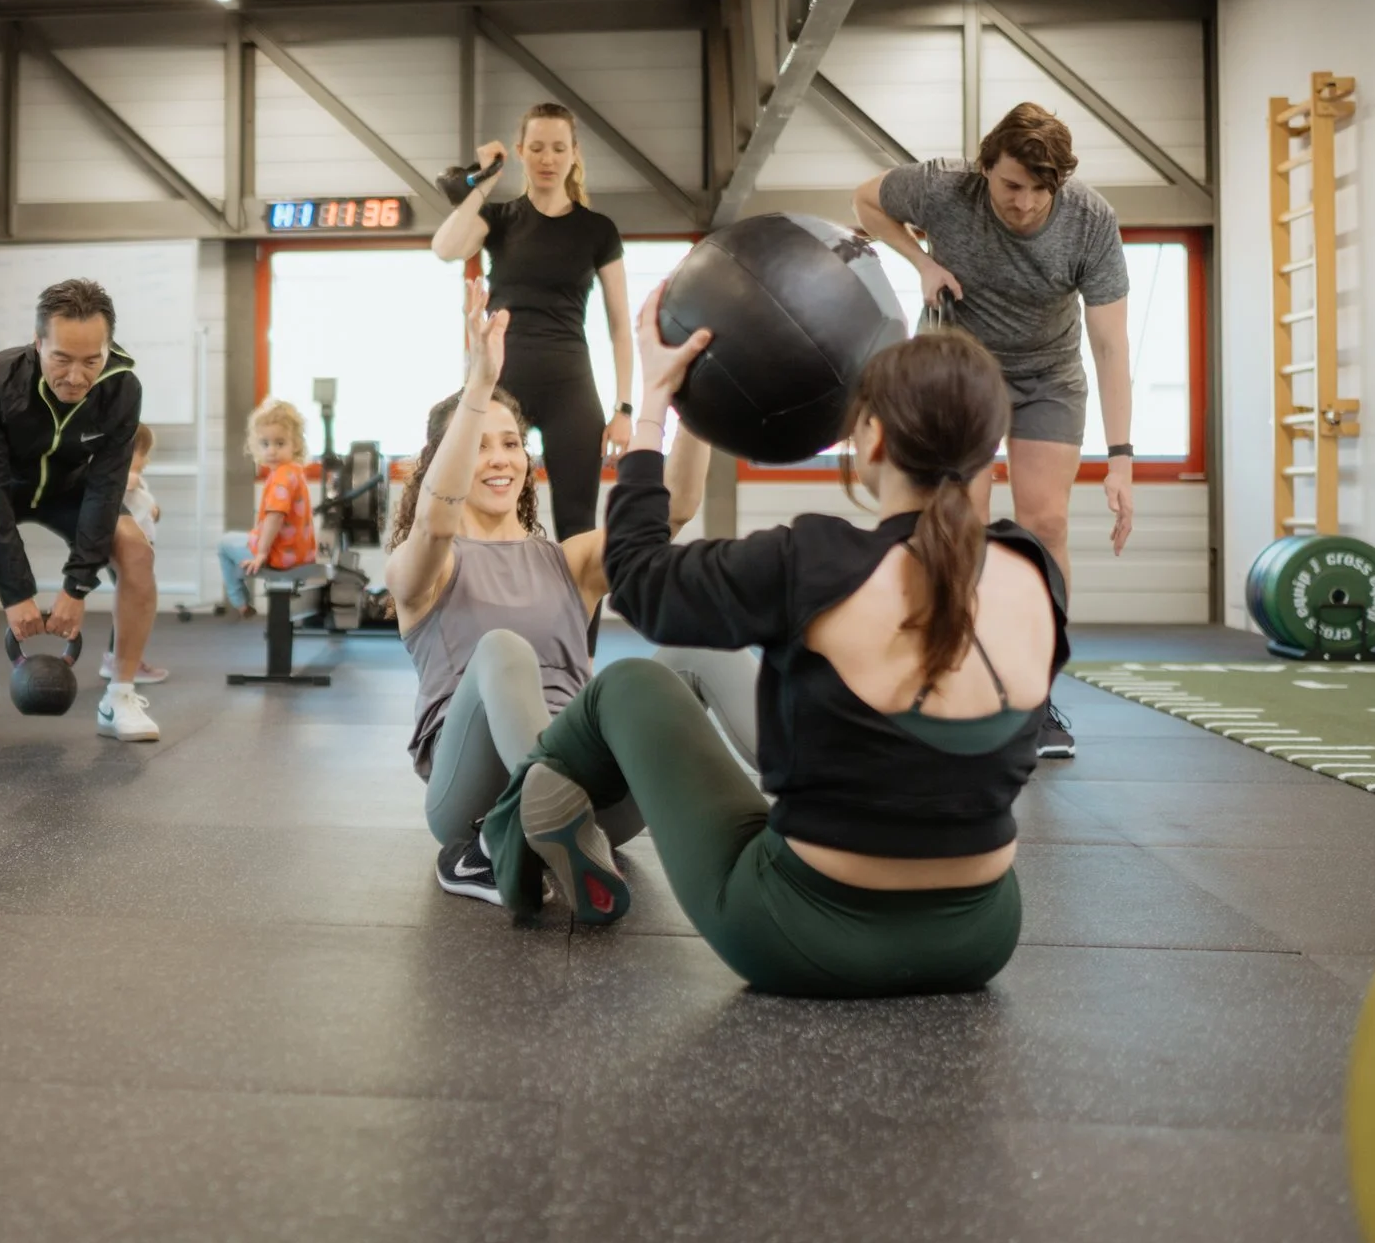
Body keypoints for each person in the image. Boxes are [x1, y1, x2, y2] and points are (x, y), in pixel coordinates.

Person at [473, 295, 1067, 1000]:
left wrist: (655, 404)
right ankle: (532, 807)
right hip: (981, 937)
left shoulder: (814, 561)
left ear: (871, 440)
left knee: (631, 684)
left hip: (803, 935)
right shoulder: (1036, 573)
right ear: (988, 448)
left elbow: (635, 578)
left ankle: (509, 830)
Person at [385, 278, 708, 905]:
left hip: (591, 809)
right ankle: (503, 838)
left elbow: (676, 508)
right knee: (504, 650)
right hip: (473, 805)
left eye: (512, 443)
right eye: (479, 445)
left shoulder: (571, 562)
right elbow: (435, 518)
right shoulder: (422, 568)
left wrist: (696, 402)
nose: (501, 459)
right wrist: (478, 387)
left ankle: (815, 809)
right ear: (442, 461)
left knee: (692, 657)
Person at [853, 101, 1132, 758]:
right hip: (961, 369)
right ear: (985, 170)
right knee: (961, 521)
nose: (1027, 202)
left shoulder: (1090, 220)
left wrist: (1121, 456)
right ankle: (949, 673)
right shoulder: (944, 187)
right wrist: (920, 261)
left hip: (1047, 376)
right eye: (1012, 185)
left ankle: (1037, 686)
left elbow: (1111, 343)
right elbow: (866, 201)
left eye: (1041, 189)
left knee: (1046, 523)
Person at [0, 277, 162, 742]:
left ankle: (119, 696)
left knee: (137, 552)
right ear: (38, 343)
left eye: (91, 361)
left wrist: (77, 588)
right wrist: (17, 593)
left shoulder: (122, 389)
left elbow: (105, 488)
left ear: (108, 349)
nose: (76, 376)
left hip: (70, 483)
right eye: (61, 358)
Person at [430, 101, 635, 540]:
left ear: (574, 153)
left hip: (571, 387)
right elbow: (445, 248)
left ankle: (579, 613)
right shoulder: (500, 219)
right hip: (504, 384)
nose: (548, 159)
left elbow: (620, 325)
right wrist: (484, 183)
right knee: (496, 519)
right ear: (520, 151)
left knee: (578, 525)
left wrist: (625, 407)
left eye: (559, 148)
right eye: (537, 147)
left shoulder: (598, 230)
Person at [216, 398, 317, 618]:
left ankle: (240, 601)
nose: (272, 450)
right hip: (302, 554)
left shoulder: (280, 477)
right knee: (238, 542)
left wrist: (261, 554)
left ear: (296, 443)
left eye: (280, 443)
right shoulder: (295, 472)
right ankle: (241, 577)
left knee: (225, 544)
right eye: (265, 444)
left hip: (278, 556)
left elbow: (275, 516)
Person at [102, 424, 169, 684]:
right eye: (143, 453)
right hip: (124, 552)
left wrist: (155, 510)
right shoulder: (123, 479)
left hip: (141, 552)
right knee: (132, 605)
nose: (147, 460)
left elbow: (148, 507)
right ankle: (117, 658)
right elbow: (125, 483)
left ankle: (119, 656)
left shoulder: (137, 483)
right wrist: (132, 473)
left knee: (133, 604)